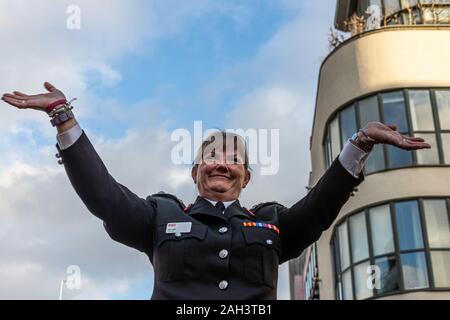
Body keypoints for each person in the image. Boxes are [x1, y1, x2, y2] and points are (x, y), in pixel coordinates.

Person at [1, 82, 431, 300]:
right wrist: (62, 116)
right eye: (212, 155)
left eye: (234, 157)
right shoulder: (160, 216)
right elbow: (105, 197)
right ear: (195, 171)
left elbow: (318, 210)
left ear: (246, 176)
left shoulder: (273, 221)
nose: (222, 161)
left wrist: (358, 144)